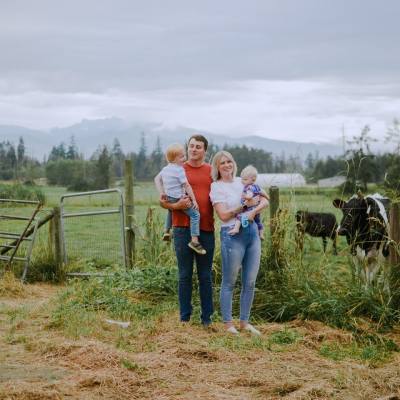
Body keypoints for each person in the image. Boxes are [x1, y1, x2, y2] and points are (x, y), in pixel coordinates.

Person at [210, 151, 268, 335]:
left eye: (229, 161)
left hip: (252, 233)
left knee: (249, 281)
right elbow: (224, 215)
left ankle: (245, 322)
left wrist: (253, 211)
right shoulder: (216, 187)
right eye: (222, 163)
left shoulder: (242, 181)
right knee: (229, 281)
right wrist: (245, 206)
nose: (227, 165)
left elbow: (265, 198)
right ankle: (228, 324)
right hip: (232, 235)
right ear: (217, 168)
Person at [160, 135, 214, 327]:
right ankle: (184, 318)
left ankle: (207, 318)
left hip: (206, 229)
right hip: (182, 229)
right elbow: (163, 201)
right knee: (184, 275)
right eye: (191, 146)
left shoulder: (210, 171)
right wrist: (177, 206)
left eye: (198, 147)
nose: (193, 149)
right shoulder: (176, 169)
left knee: (205, 275)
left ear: (205, 151)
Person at [154, 143, 206, 255]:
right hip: (178, 199)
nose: (184, 158)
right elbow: (187, 185)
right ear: (173, 159)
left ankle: (166, 231)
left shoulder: (165, 169)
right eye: (181, 157)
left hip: (169, 197)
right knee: (195, 215)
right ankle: (195, 241)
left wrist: (162, 193)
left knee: (170, 210)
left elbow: (157, 179)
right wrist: (194, 200)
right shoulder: (179, 170)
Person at [228, 165, 268, 240]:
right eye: (242, 179)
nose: (242, 181)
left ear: (253, 180)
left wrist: (246, 197)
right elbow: (262, 192)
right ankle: (261, 234)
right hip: (256, 210)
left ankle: (236, 228)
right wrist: (267, 197)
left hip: (248, 209)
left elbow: (250, 195)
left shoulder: (248, 187)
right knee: (258, 221)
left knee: (239, 216)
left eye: (245, 179)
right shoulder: (257, 186)